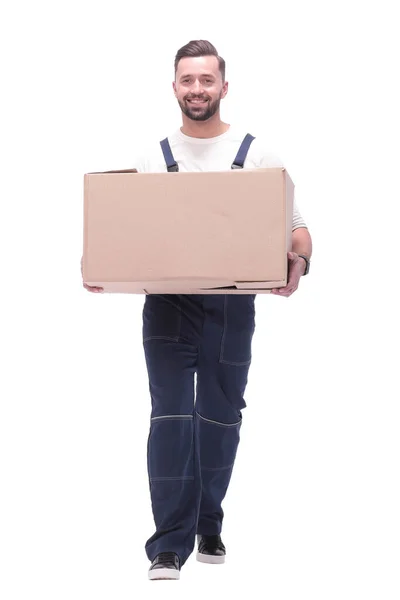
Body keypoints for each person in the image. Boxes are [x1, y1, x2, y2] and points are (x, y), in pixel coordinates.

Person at [82, 40, 312, 581]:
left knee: (221, 414)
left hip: (232, 305)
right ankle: (167, 545)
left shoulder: (257, 154)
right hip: (166, 305)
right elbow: (119, 228)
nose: (197, 89)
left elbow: (297, 228)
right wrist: (97, 262)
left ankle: (209, 521)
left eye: (207, 80)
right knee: (170, 415)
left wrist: (298, 262)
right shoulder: (150, 157)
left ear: (223, 87)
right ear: (175, 87)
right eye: (188, 80)